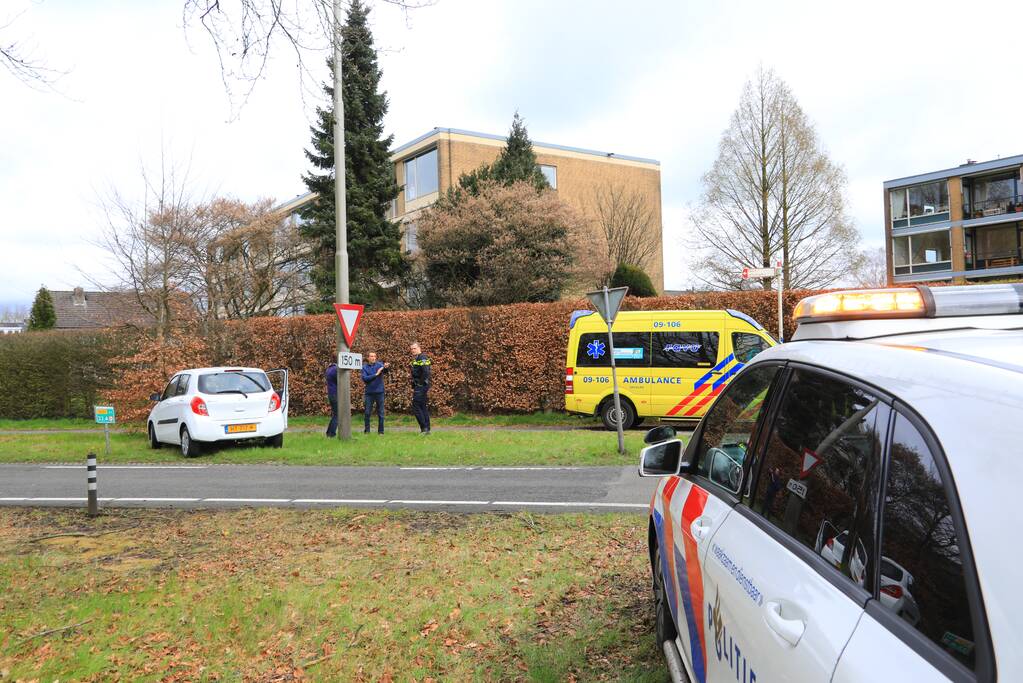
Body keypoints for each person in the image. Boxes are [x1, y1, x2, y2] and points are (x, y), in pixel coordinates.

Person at [359, 352, 390, 434]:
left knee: (381, 413)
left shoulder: (379, 365)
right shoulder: (364, 367)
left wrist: (386, 367)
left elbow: (385, 371)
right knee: (367, 413)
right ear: (368, 358)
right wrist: (376, 374)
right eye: (371, 356)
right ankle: (367, 431)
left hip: (380, 392)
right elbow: (365, 378)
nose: (373, 358)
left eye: (374, 356)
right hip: (369, 393)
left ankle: (381, 432)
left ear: (376, 357)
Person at [409, 341, 431, 434]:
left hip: (421, 386)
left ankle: (424, 428)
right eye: (411, 349)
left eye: (414, 348)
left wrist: (420, 383)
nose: (413, 350)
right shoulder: (417, 358)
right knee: (422, 406)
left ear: (419, 348)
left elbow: (426, 372)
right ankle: (427, 429)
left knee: (416, 406)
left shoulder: (422, 357)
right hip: (420, 386)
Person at [325, 362, 338, 438]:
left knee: (335, 414)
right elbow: (340, 380)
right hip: (335, 394)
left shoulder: (329, 369)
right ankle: (332, 434)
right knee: (337, 415)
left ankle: (328, 432)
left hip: (331, 394)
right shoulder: (336, 369)